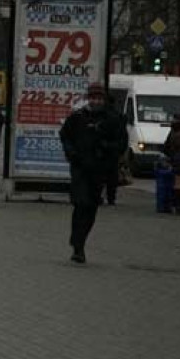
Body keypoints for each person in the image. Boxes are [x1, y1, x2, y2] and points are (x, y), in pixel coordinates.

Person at [58, 83, 124, 264]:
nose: (96, 101)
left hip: (100, 169)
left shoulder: (113, 119)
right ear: (88, 98)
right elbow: (65, 135)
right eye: (93, 98)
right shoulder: (78, 117)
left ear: (103, 100)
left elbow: (121, 144)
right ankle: (77, 246)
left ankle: (80, 240)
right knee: (81, 203)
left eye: (99, 98)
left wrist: (105, 146)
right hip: (80, 168)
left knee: (91, 207)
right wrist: (71, 153)